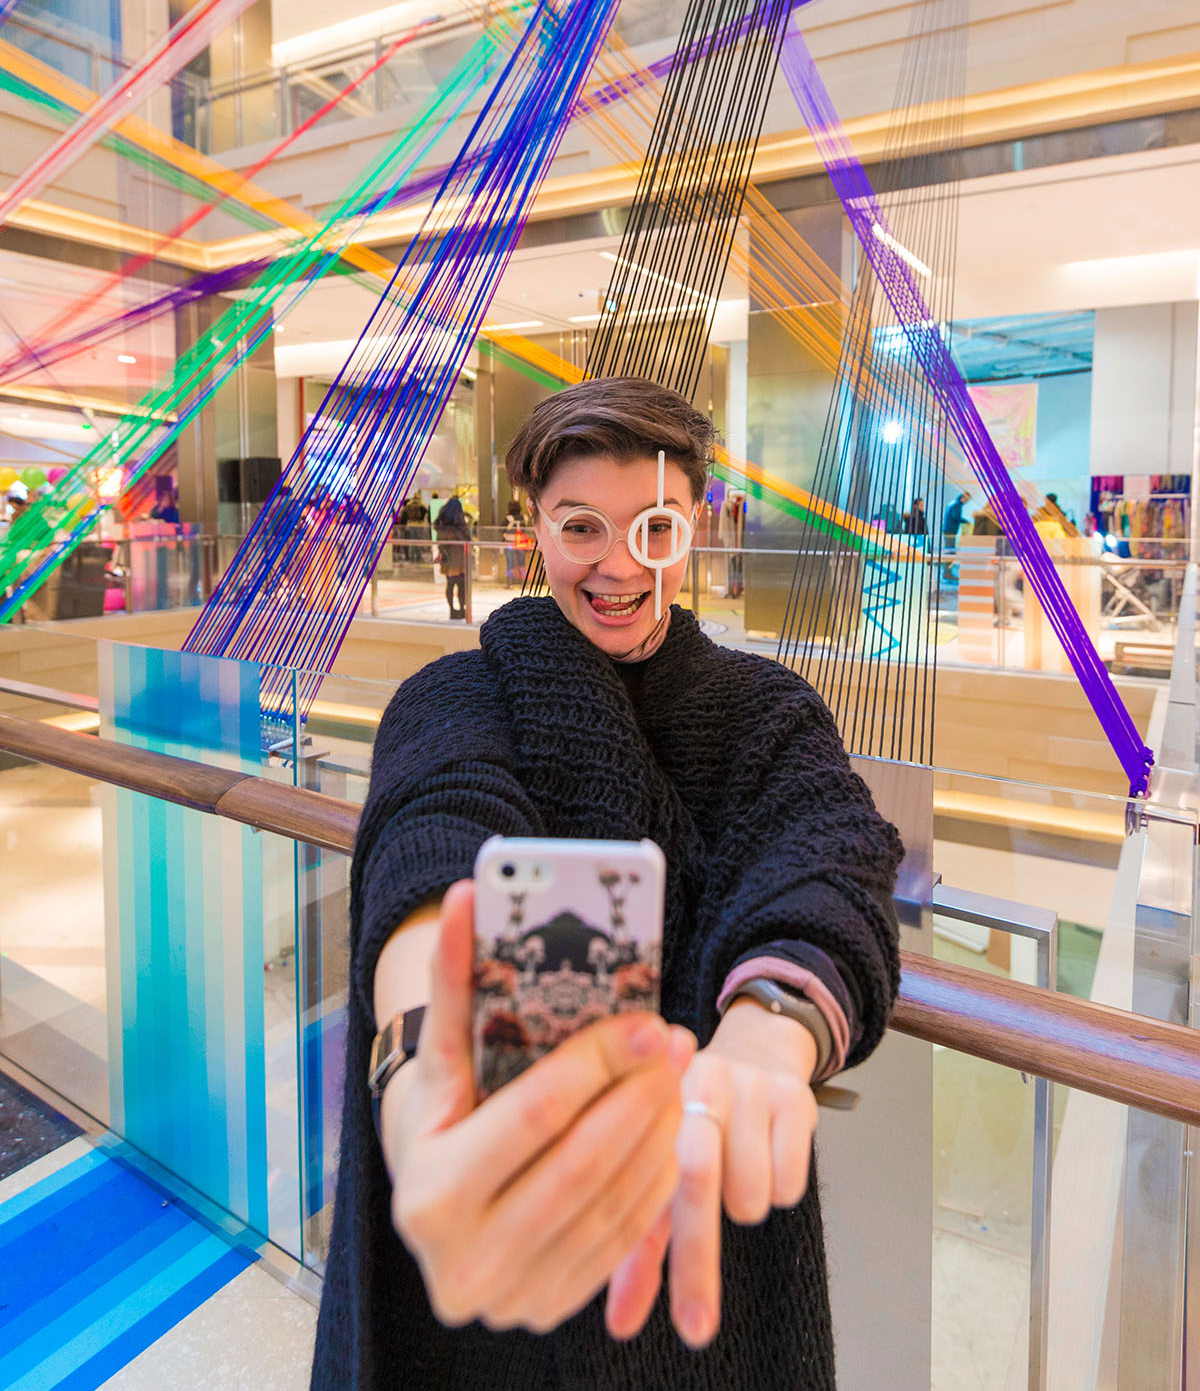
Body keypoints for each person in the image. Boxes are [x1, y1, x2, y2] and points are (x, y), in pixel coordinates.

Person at [312, 377, 903, 1390]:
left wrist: (768, 1032)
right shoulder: (454, 694)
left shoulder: (766, 711)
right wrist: (423, 1062)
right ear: (530, 529)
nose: (619, 564)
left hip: (703, 1232)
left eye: (654, 526)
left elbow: (832, 853)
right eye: (581, 525)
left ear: (693, 526)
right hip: (489, 1203)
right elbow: (435, 837)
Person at [434, 494, 471, 619]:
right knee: (461, 586)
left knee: (450, 584)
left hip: (447, 558)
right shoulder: (460, 525)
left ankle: (452, 610)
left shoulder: (442, 526)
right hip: (460, 559)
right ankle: (461, 610)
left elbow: (440, 542)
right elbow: (467, 539)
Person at [503, 497, 528, 585]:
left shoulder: (508, 518)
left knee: (509, 562)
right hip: (521, 543)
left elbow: (503, 531)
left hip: (509, 543)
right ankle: (523, 582)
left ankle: (509, 582)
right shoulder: (524, 517)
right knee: (522, 563)